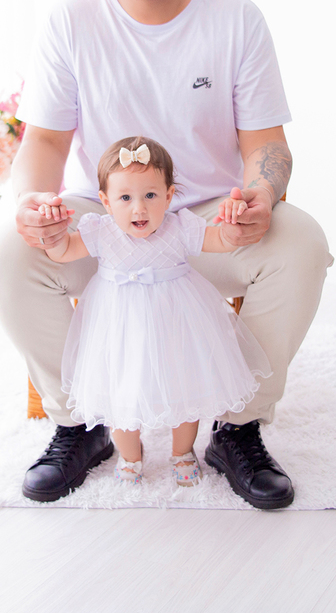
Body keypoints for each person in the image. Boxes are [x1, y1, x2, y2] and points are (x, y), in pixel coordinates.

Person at [0, 0, 333, 509]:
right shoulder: (71, 19)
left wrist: (262, 192)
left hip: (203, 219)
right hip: (106, 216)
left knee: (303, 243)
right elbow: (43, 143)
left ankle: (237, 426)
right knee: (7, 254)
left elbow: (268, 146)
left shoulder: (235, 19)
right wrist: (29, 204)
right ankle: (80, 423)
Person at [39, 136, 272, 488]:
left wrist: (231, 225)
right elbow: (63, 252)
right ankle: (131, 456)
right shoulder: (100, 231)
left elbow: (220, 241)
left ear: (169, 195)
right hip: (120, 326)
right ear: (105, 201)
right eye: (125, 198)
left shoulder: (180, 227)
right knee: (122, 393)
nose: (139, 209)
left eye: (150, 195)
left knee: (185, 390)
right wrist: (53, 234)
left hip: (176, 322)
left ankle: (183, 452)